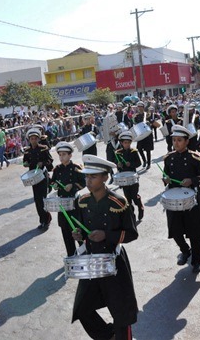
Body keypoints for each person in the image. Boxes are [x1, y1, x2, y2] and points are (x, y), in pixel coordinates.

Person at [71, 154, 138, 339]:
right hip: (91, 263)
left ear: (105, 177)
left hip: (114, 263)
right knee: (82, 309)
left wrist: (106, 236)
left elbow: (132, 233)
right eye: (86, 176)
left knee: (122, 315)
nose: (88, 180)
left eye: (93, 176)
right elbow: (83, 230)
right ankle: (108, 335)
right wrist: (79, 234)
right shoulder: (83, 201)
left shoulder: (119, 203)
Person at [162, 125, 200, 273]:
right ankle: (185, 250)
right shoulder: (169, 158)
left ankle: (197, 259)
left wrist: (192, 180)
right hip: (174, 198)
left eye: (179, 140)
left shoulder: (194, 158)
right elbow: (165, 175)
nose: (176, 143)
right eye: (174, 140)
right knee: (175, 231)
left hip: (191, 198)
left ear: (187, 141)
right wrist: (166, 179)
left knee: (194, 232)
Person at [50, 141, 86, 257]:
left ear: (70, 155)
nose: (61, 157)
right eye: (60, 154)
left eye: (64, 154)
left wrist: (73, 185)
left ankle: (84, 253)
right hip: (62, 205)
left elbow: (84, 182)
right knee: (66, 232)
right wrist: (53, 185)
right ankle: (71, 256)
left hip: (75, 204)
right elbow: (52, 181)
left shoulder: (76, 168)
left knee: (77, 230)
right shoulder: (57, 169)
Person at [23, 128, 53, 230]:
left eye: (35, 138)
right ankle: (42, 220)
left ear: (38, 139)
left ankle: (47, 218)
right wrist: (25, 164)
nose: (34, 140)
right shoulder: (27, 151)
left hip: (42, 176)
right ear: (29, 140)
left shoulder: (43, 148)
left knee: (43, 198)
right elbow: (25, 162)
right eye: (31, 138)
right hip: (33, 177)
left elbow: (50, 160)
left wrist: (43, 163)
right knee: (37, 200)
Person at [116, 131, 145, 221]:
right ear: (121, 143)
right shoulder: (118, 153)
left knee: (134, 196)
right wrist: (119, 165)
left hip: (133, 178)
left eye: (129, 142)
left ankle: (140, 207)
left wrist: (131, 164)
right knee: (127, 199)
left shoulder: (134, 151)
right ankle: (132, 214)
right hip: (124, 179)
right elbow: (116, 164)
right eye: (125, 143)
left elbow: (139, 163)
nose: (127, 144)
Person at [133, 101, 153, 169]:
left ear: (143, 107)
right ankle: (144, 161)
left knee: (148, 150)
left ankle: (149, 163)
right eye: (138, 106)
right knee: (139, 148)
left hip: (147, 134)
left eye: (141, 106)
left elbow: (152, 122)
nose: (139, 108)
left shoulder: (147, 114)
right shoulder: (136, 116)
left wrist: (149, 123)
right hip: (141, 134)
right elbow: (135, 124)